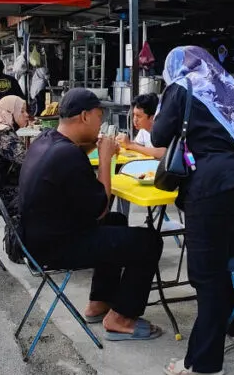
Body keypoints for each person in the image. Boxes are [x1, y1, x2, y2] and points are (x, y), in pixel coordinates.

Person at [10, 88, 164, 340]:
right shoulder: (67, 155)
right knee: (148, 241)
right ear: (84, 116)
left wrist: (92, 147)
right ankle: (121, 318)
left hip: (34, 237)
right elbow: (100, 207)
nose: (101, 124)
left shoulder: (47, 140)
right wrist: (105, 159)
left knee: (116, 221)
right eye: (99, 116)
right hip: (53, 247)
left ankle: (99, 302)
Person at [152, 46, 234, 375]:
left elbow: (159, 136)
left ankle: (204, 362)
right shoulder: (228, 91)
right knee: (229, 259)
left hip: (210, 184)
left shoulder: (183, 87)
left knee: (206, 273)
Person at [119, 93, 164, 160]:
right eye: (134, 115)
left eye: (139, 116)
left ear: (152, 118)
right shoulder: (143, 130)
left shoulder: (163, 130)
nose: (134, 119)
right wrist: (123, 143)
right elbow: (137, 146)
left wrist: (130, 145)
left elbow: (163, 153)